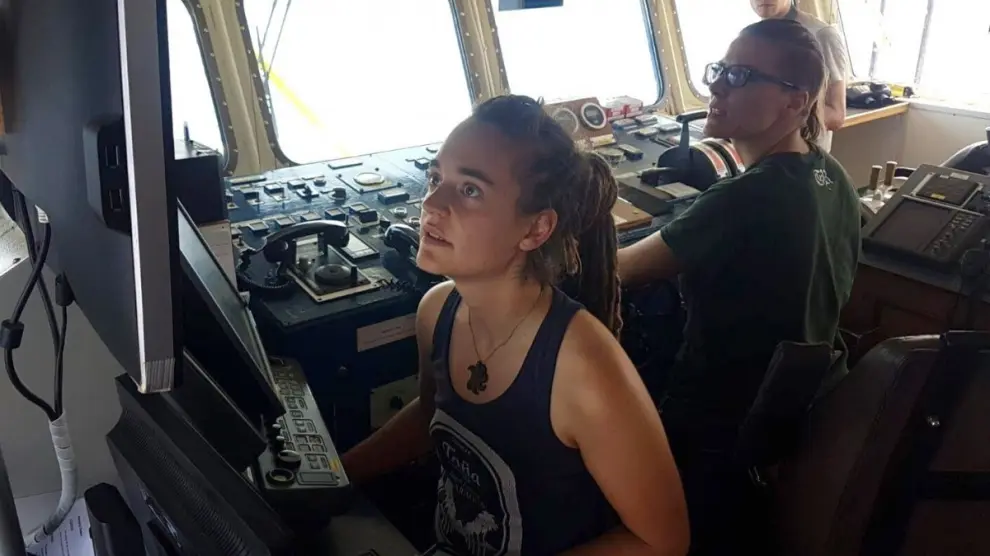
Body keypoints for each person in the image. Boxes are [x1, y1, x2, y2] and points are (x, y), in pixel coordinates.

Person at [342, 94, 689, 556]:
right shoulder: (437, 311)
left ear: (535, 229)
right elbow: (431, 414)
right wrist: (335, 476)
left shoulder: (584, 367)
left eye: (470, 190)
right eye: (437, 178)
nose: (432, 203)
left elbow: (661, 541)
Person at [617, 18, 861, 552]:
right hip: (800, 407)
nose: (717, 87)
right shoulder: (831, 175)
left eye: (741, 76)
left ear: (796, 102)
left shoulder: (747, 197)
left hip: (719, 422)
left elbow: (620, 271)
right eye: (720, 71)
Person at [751, 0, 850, 151]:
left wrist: (779, 115)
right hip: (759, 154)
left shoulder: (821, 34)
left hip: (803, 157)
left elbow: (837, 116)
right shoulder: (750, 37)